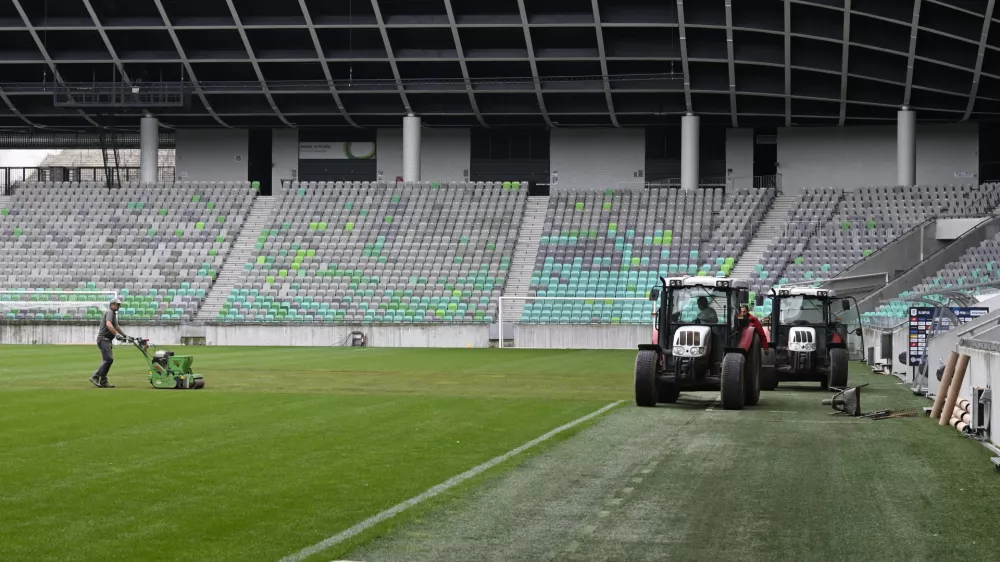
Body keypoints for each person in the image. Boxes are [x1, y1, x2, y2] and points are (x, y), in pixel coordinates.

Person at [90, 297, 127, 388]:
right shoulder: (109, 312)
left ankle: (103, 381)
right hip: (104, 339)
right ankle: (95, 376)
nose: (118, 306)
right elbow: (108, 324)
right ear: (111, 305)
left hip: (107, 340)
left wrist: (124, 335)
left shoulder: (113, 314)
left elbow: (116, 326)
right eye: (116, 304)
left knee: (107, 360)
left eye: (119, 305)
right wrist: (117, 335)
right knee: (108, 359)